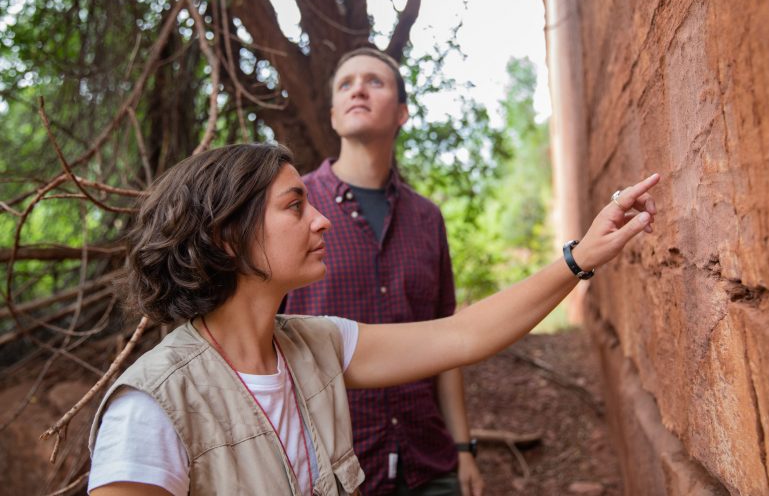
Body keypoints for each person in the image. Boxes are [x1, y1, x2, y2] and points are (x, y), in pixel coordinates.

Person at [87, 142, 659, 496]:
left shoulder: (317, 346)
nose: (321, 221)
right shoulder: (153, 407)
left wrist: (580, 257)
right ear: (226, 238)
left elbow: (463, 334)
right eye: (294, 206)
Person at [281, 48, 482, 496]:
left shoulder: (427, 218)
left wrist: (464, 448)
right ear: (333, 115)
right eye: (346, 84)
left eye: (375, 81)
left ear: (403, 113)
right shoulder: (294, 209)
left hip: (429, 462)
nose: (358, 89)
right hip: (330, 469)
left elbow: (446, 339)